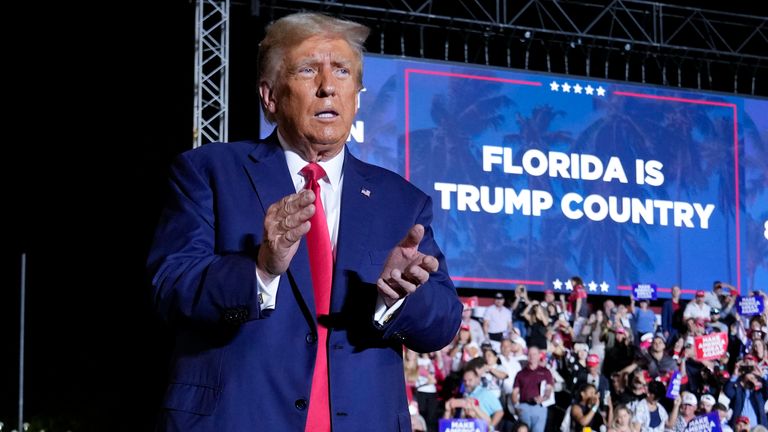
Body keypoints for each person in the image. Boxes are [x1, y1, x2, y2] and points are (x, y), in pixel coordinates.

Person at [146, 12, 462, 431]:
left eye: (343, 71)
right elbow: (170, 287)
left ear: (357, 96)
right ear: (270, 96)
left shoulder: (401, 201)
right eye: (308, 69)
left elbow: (443, 323)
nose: (328, 86)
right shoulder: (208, 171)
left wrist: (399, 297)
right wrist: (260, 268)